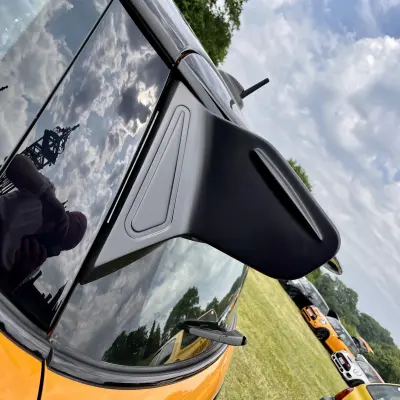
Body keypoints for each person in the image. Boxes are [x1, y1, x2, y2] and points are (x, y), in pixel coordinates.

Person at [0, 154, 87, 288]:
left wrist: (16, 277)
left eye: (60, 242)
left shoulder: (34, 261)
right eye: (63, 225)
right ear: (65, 213)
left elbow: (5, 290)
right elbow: (13, 162)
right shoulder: (43, 193)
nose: (54, 232)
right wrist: (47, 196)